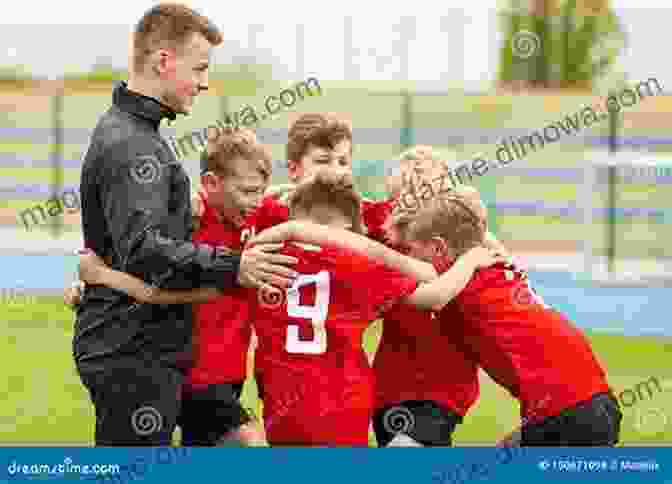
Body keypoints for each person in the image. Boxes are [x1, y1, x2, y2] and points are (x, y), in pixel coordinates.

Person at [74, 169, 506, 446]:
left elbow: (170, 293)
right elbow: (435, 293)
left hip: (283, 409)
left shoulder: (264, 261)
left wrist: (101, 277)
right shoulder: (360, 264)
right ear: (351, 225)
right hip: (343, 408)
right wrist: (473, 256)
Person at [74, 4, 296, 446]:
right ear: (162, 61)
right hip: (132, 350)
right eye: (199, 67)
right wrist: (235, 266)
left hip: (136, 346)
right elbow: (144, 249)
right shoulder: (133, 143)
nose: (205, 81)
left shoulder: (136, 132)